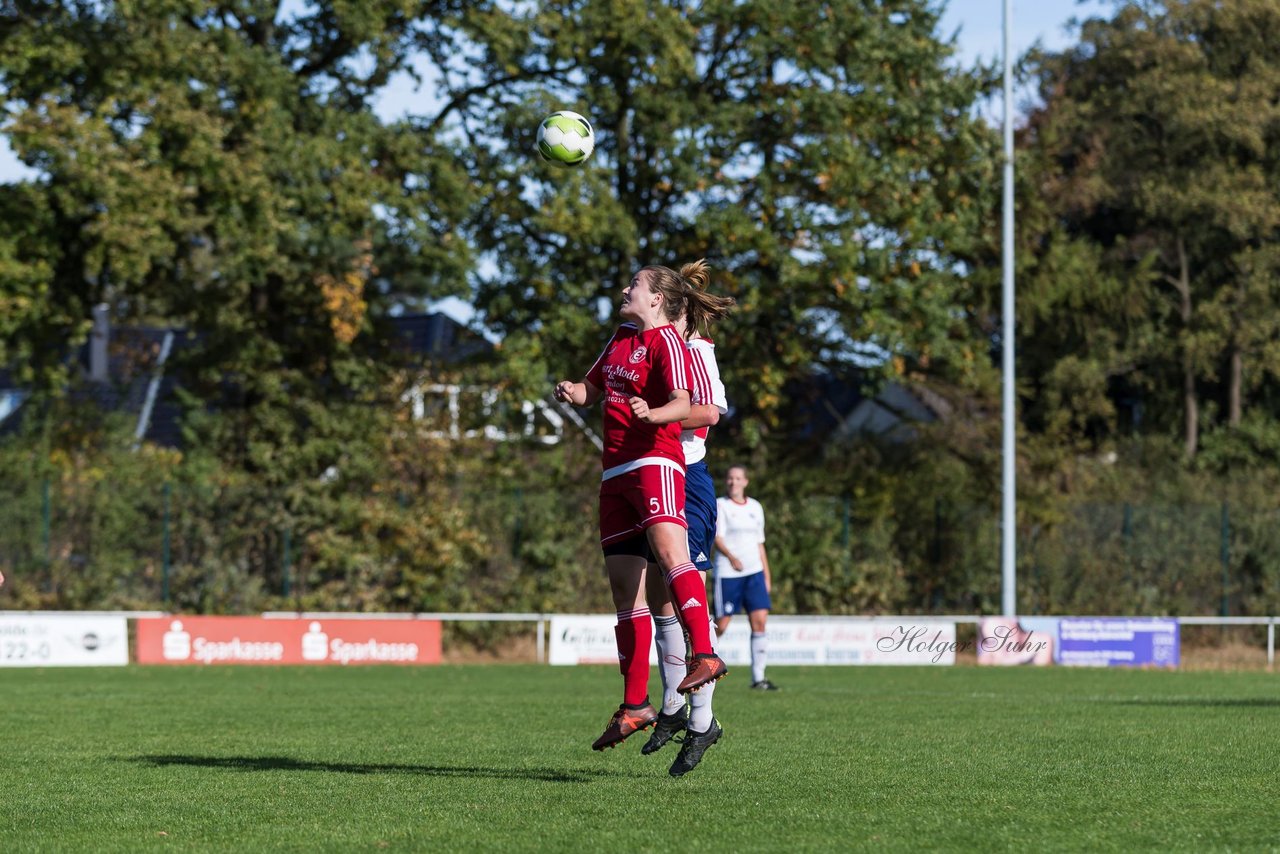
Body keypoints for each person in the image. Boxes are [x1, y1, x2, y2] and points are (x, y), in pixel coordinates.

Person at [554, 263, 728, 754]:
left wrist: (653, 414)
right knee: (626, 593)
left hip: (658, 461)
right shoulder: (621, 336)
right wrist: (573, 391)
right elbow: (595, 391)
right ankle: (636, 706)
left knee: (675, 560)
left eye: (634, 284)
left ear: (656, 300)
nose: (625, 289)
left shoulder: (671, 342)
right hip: (614, 471)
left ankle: (707, 657)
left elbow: (690, 404)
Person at [640, 259, 735, 777]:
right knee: (661, 603)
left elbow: (709, 414)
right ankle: (674, 708)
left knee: (688, 597)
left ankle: (703, 721)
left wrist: (656, 417)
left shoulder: (696, 351)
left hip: (688, 479)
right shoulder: (643, 347)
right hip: (653, 477)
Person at [714, 464, 778, 691]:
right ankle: (697, 659)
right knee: (722, 624)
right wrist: (731, 557)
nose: (733, 482)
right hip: (729, 574)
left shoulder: (755, 507)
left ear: (746, 482)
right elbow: (717, 538)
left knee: (759, 621)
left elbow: (760, 544)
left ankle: (758, 678)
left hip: (754, 573)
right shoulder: (721, 505)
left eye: (738, 478)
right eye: (730, 478)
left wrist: (766, 576)